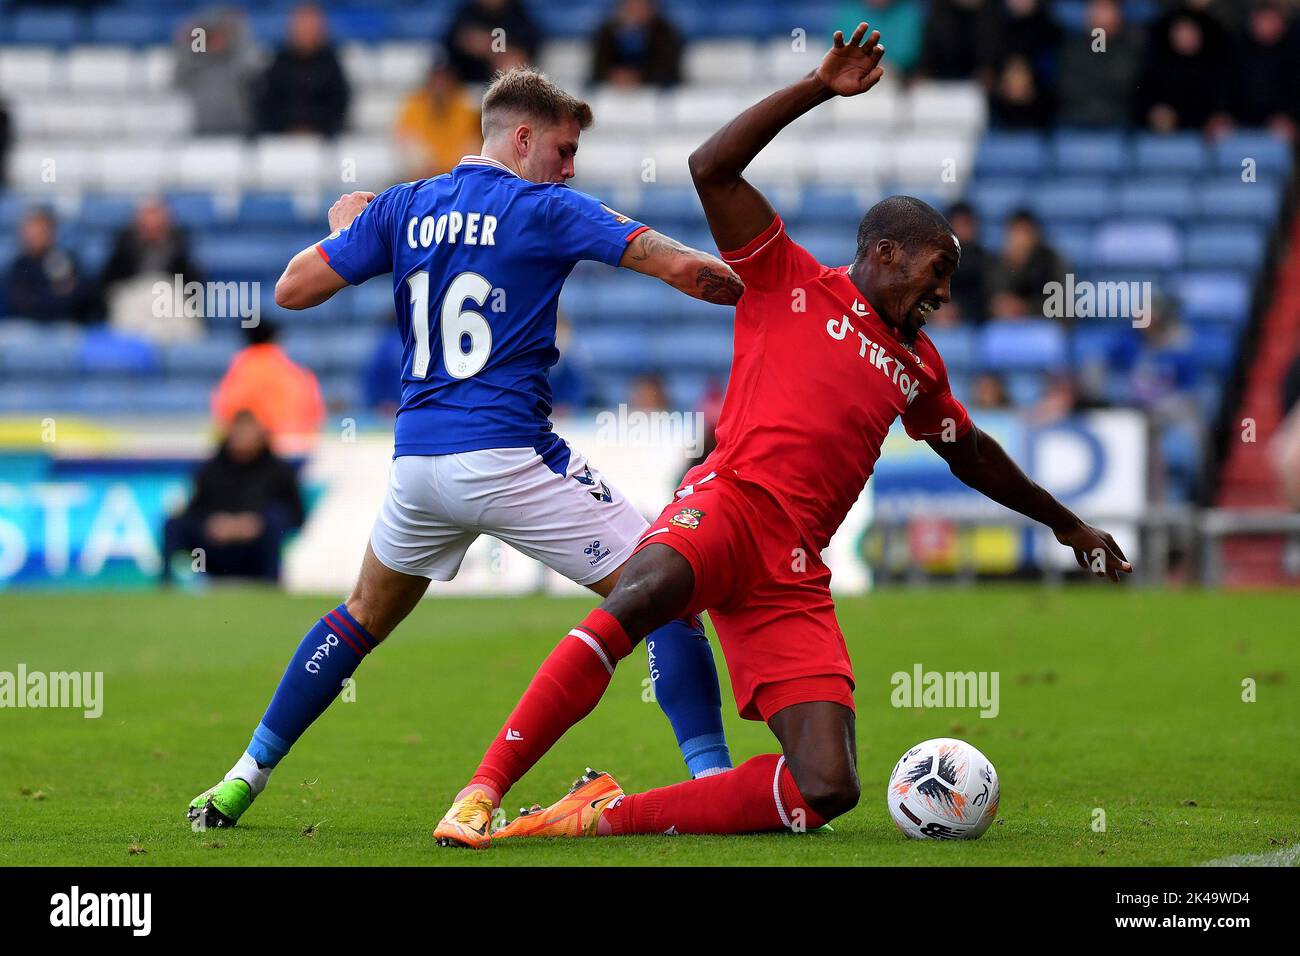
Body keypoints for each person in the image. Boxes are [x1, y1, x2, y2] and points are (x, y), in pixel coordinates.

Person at [436, 24, 1131, 845]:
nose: (945, 291)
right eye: (934, 271)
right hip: (727, 505)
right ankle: (481, 791)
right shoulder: (786, 276)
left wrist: (1067, 525)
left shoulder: (919, 368)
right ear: (883, 252)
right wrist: (816, 88)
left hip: (792, 572)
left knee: (826, 791)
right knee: (641, 596)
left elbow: (971, 453)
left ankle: (599, 815)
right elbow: (710, 168)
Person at [186, 68, 745, 838]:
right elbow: (679, 266)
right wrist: (775, 290)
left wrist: (351, 226)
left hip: (417, 468)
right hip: (510, 458)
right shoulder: (546, 206)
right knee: (668, 590)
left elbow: (291, 288)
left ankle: (240, 780)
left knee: (359, 618)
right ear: (523, 140)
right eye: (564, 147)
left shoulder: (406, 205)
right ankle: (714, 783)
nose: (571, 166)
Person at [161, 410, 305, 584]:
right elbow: (195, 510)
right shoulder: (210, 469)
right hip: (213, 550)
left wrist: (256, 524)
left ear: (261, 434)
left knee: (275, 518)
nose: (243, 437)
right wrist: (212, 524)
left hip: (256, 551)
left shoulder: (280, 470)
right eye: (239, 431)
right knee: (173, 524)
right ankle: (165, 585)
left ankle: (271, 585)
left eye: (249, 431)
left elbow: (296, 515)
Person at [211, 321, 325, 452]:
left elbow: (225, 417)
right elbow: (316, 415)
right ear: (275, 339)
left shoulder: (239, 374)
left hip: (255, 451)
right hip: (298, 447)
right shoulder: (298, 374)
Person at [255, 3, 349, 137]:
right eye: (302, 25)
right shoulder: (279, 63)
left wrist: (317, 127)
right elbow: (269, 104)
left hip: (322, 139)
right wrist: (287, 127)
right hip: (282, 139)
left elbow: (339, 105)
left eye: (311, 25)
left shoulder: (331, 64)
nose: (306, 30)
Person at [394, 50, 483, 179]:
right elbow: (407, 142)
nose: (440, 84)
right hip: (424, 178)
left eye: (445, 78)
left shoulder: (466, 106)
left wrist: (450, 169)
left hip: (457, 177)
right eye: (436, 78)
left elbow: (473, 145)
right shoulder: (414, 105)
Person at [174, 6, 262, 136]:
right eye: (211, 35)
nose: (217, 39)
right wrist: (189, 43)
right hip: (203, 131)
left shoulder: (238, 61)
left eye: (222, 34)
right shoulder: (197, 64)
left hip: (240, 130)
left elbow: (254, 72)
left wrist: (240, 30)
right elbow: (179, 80)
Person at [1057, 0, 1142, 128]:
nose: (1102, 15)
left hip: (1119, 119)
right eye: (1097, 9)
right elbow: (1069, 86)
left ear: (1118, 13)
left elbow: (1129, 87)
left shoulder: (1131, 48)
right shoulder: (1073, 49)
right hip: (1077, 118)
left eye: (1106, 9)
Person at [5, 207, 91, 323]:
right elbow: (20, 304)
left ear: (52, 233)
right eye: (31, 232)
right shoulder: (19, 266)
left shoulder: (65, 259)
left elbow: (76, 299)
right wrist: (54, 294)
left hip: (63, 326)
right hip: (27, 327)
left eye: (40, 232)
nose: (34, 237)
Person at [986, 209, 1067, 320]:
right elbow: (993, 298)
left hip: (1044, 324)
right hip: (1008, 325)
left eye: (1024, 232)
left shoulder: (1052, 260)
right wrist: (1013, 266)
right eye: (1015, 232)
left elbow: (1063, 302)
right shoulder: (999, 261)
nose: (1019, 239)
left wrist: (1025, 308)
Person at [590, 0, 684, 89]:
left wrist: (638, 77)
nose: (636, 10)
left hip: (654, 91)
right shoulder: (607, 31)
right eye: (632, 5)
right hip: (612, 89)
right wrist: (613, 75)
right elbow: (598, 65)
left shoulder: (666, 32)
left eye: (641, 5)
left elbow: (668, 68)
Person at [443, 0, 541, 83]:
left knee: (511, 65)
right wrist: (467, 41)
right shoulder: (467, 13)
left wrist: (492, 47)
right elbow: (451, 45)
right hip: (466, 83)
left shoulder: (518, 15)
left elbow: (526, 52)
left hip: (505, 87)